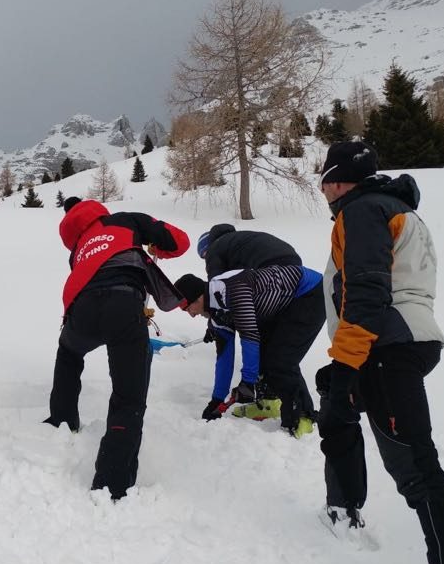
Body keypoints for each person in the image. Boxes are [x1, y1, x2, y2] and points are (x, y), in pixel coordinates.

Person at [316, 141, 444, 564]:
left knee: (417, 470)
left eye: (324, 186)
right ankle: (343, 501)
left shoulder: (361, 211)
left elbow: (366, 291)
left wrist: (345, 366)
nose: (324, 196)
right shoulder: (394, 208)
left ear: (337, 182)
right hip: (402, 341)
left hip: (384, 346)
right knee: (348, 415)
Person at [45, 196, 190, 500]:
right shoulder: (125, 220)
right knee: (128, 396)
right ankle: (113, 481)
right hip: (124, 304)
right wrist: (156, 248)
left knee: (69, 354)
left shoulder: (78, 248)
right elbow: (180, 241)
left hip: (82, 311)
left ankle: (61, 420)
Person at [174, 264, 322, 438]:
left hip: (309, 292)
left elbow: (249, 335)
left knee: (281, 360)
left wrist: (248, 382)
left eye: (187, 308)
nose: (191, 314)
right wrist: (217, 399)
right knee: (267, 358)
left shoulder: (232, 290)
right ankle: (273, 404)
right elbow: (224, 356)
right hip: (282, 305)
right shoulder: (217, 314)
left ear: (198, 298)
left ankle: (303, 417)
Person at [195, 223, 304, 420]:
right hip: (293, 271)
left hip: (272, 270)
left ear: (206, 250)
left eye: (204, 258)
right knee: (273, 344)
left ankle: (280, 403)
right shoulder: (243, 242)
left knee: (256, 335)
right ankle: (270, 399)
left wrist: (214, 323)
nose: (206, 262)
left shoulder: (215, 249)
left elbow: (217, 291)